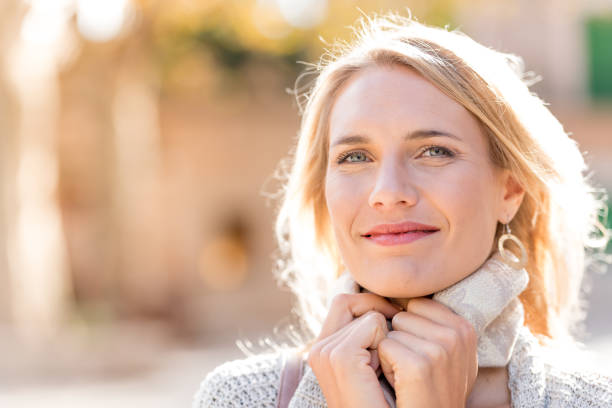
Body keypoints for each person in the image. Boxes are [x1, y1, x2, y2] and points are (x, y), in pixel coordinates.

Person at [192, 11, 612, 408]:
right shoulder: (242, 397)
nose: (388, 193)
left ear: (510, 189)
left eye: (433, 151)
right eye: (355, 157)